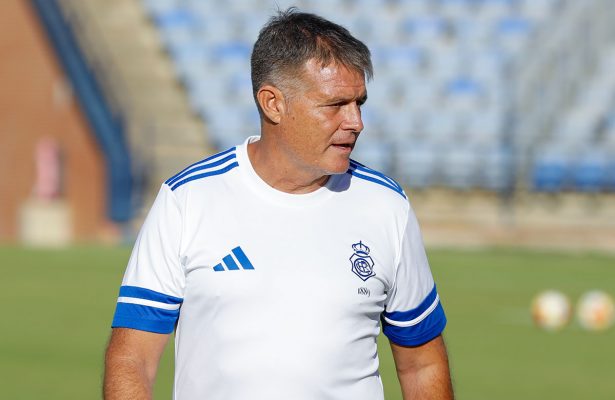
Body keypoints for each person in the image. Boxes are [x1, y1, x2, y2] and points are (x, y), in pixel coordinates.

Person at [104, 8, 453, 400]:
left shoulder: (386, 206)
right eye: (335, 104)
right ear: (272, 103)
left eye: (359, 103)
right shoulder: (187, 199)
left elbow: (422, 364)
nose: (356, 122)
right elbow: (132, 359)